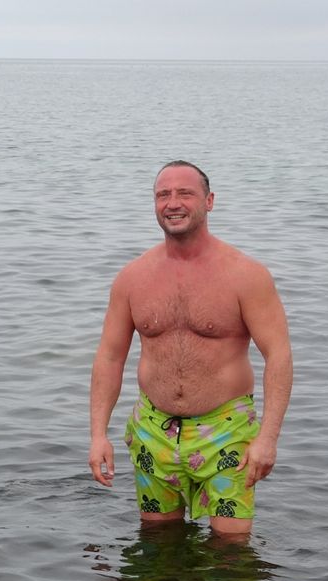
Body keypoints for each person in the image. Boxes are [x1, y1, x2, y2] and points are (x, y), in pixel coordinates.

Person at [88, 161, 292, 535]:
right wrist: (98, 435)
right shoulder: (132, 278)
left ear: (209, 201)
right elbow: (110, 357)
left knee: (231, 548)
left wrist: (268, 438)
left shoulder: (245, 275)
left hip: (226, 432)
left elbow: (278, 355)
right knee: (158, 540)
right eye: (163, 195)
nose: (173, 203)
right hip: (153, 430)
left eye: (185, 193)